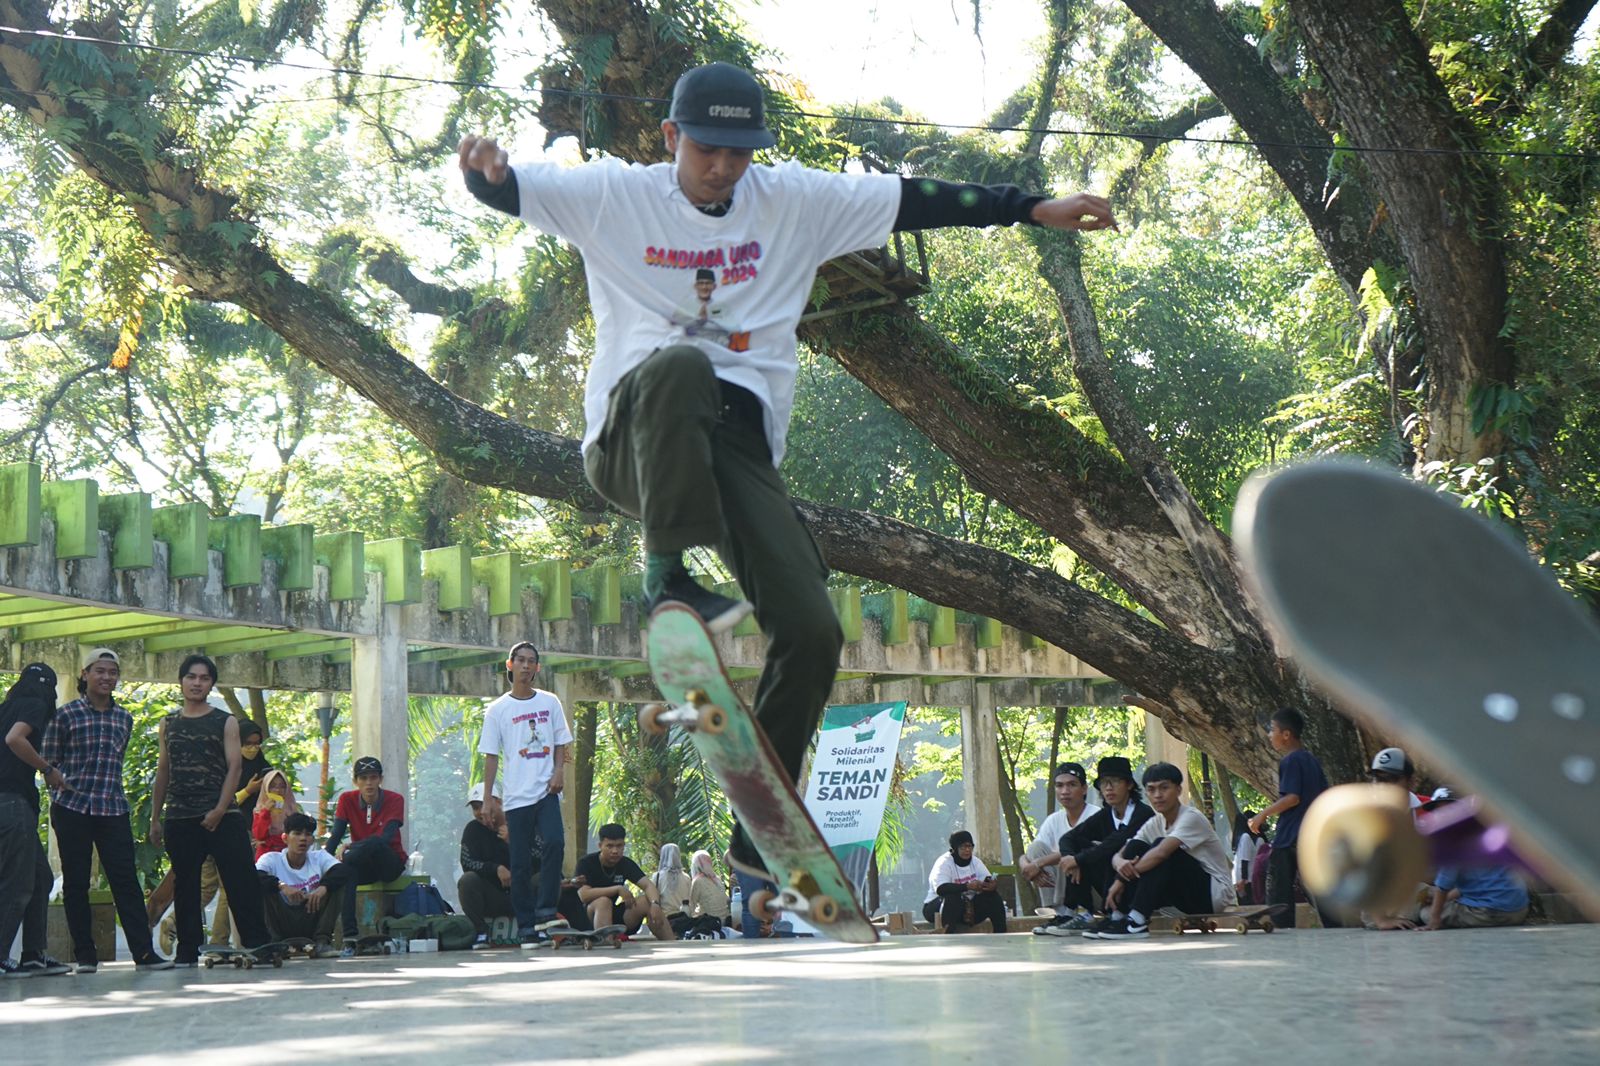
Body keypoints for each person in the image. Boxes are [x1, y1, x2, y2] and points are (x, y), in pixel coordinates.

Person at [459, 60, 1116, 881]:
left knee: (812, 630)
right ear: (670, 138)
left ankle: (758, 822)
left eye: (739, 154)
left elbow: (914, 199)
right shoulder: (618, 195)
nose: (723, 170)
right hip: (634, 441)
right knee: (682, 366)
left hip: (735, 452)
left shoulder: (794, 200)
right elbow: (514, 190)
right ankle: (667, 580)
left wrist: (1030, 207)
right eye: (706, 152)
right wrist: (488, 177)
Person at [39, 648, 172, 972]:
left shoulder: (123, 718)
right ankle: (85, 955)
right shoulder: (66, 715)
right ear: (85, 674)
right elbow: (48, 761)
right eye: (100, 671)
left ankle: (144, 952)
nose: (106, 677)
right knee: (76, 882)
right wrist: (60, 790)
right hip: (72, 808)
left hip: (111, 808)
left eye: (112, 672)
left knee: (125, 880)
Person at [148, 654, 271, 966]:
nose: (197, 683)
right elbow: (164, 770)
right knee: (186, 886)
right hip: (179, 815)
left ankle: (257, 943)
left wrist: (219, 809)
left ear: (211, 684)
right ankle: (187, 951)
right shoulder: (169, 723)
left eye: (203, 678)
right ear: (182, 681)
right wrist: (155, 819)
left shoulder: (225, 721)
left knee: (241, 881)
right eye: (191, 677)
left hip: (222, 816)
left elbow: (234, 766)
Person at [478, 641, 573, 945]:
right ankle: (527, 927)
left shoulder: (549, 702)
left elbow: (561, 742)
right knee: (518, 863)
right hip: (516, 797)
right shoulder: (497, 710)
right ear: (510, 665)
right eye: (520, 660)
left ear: (537, 668)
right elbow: (490, 756)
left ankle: (546, 910)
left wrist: (559, 772)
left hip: (546, 791)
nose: (526, 665)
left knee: (555, 843)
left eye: (532, 661)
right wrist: (488, 800)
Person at [1085, 763, 1236, 940]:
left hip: (1211, 896)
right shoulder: (1156, 822)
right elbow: (1123, 852)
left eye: (1164, 788)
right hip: (1178, 897)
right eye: (1151, 789)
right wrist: (1119, 864)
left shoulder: (1191, 817)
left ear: (1179, 790)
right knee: (1136, 847)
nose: (1157, 795)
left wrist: (1121, 878)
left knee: (1161, 847)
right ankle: (1117, 916)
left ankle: (1137, 921)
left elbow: (1161, 854)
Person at [0, 663, 71, 977]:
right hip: (13, 803)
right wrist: (48, 769)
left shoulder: (6, 707)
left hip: (10, 804)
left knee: (41, 878)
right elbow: (16, 740)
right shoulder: (36, 703)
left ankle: (34, 955)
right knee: (18, 883)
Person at [1247, 708, 1329, 928]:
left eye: (1272, 729)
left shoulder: (1291, 761)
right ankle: (1339, 926)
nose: (1269, 734)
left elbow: (1292, 798)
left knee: (1278, 893)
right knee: (1316, 887)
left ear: (1286, 734)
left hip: (1289, 836)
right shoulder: (1311, 760)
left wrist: (1262, 815)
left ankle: (1282, 936)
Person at [1050, 755, 1153, 929]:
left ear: (1129, 785)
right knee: (1079, 847)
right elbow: (1068, 838)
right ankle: (1077, 912)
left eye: (1115, 782)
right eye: (1104, 783)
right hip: (1109, 883)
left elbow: (1114, 843)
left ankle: (1120, 916)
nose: (1108, 788)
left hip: (1138, 882)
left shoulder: (1143, 813)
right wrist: (1071, 858)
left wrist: (1077, 859)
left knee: (1114, 850)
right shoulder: (1106, 815)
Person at [325, 756, 407, 949]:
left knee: (375, 843)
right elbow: (336, 836)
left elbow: (386, 838)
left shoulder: (395, 800)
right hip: (362, 861)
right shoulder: (347, 799)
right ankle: (350, 935)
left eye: (373, 777)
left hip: (389, 862)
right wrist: (324, 862)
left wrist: (351, 848)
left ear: (380, 779)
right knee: (347, 871)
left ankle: (349, 856)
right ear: (356, 782)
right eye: (363, 778)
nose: (369, 783)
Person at [1022, 761, 1101, 935]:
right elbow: (1028, 854)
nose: (1065, 791)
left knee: (1071, 856)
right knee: (1036, 848)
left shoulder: (1096, 815)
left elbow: (1081, 851)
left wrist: (1039, 863)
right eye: (1060, 785)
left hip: (1096, 890)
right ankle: (1061, 914)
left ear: (1084, 789)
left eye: (1072, 785)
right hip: (1065, 888)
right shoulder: (1054, 820)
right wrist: (1028, 867)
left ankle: (1077, 912)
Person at [256, 812, 346, 955]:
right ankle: (273, 943)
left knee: (337, 886)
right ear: (285, 838)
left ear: (312, 840)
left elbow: (342, 871)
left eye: (308, 834)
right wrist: (282, 886)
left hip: (311, 915)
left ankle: (322, 942)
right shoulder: (271, 859)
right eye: (297, 834)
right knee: (263, 887)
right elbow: (255, 876)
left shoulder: (319, 857)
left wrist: (323, 887)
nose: (303, 839)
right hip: (282, 918)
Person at [574, 824, 675, 940]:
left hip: (615, 917)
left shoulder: (625, 863)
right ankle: (606, 945)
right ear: (600, 846)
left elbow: (648, 885)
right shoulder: (586, 863)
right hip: (588, 917)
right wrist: (617, 889)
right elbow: (584, 895)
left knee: (646, 902)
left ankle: (672, 944)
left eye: (619, 846)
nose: (615, 851)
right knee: (603, 901)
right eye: (609, 846)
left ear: (623, 846)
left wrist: (655, 904)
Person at [923, 830, 1005, 933]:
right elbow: (941, 889)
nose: (967, 850)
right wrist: (967, 886)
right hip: (938, 907)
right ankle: (948, 936)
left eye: (969, 847)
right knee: (953, 897)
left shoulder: (976, 862)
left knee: (993, 897)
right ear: (954, 849)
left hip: (967, 908)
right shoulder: (944, 863)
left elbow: (987, 879)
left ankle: (1001, 933)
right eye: (963, 847)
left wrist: (991, 886)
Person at [251, 768, 299, 859]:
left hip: (288, 854)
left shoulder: (292, 808)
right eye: (272, 786)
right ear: (266, 788)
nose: (277, 790)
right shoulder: (259, 809)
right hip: (266, 854)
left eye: (282, 786)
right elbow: (259, 835)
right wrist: (266, 812)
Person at [687, 849, 731, 936]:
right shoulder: (717, 879)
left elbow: (691, 905)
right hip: (724, 920)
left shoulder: (698, 881)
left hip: (709, 922)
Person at [651, 842, 694, 922]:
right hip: (684, 920)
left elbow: (653, 899)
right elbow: (691, 901)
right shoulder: (686, 878)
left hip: (665, 920)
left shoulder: (657, 876)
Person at [1232, 811, 1265, 905]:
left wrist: (1243, 879)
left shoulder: (1245, 837)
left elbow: (1244, 859)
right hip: (1251, 879)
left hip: (1245, 880)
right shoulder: (1258, 839)